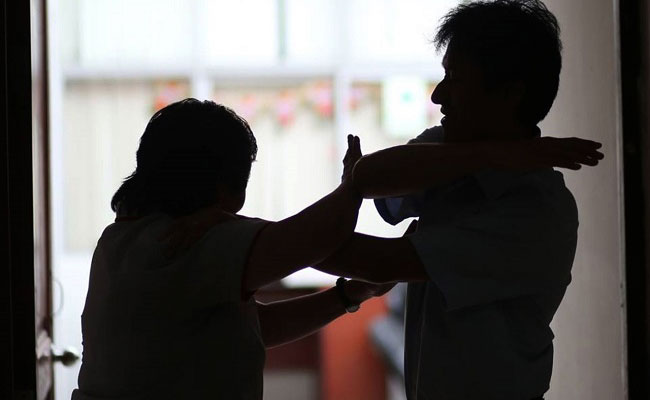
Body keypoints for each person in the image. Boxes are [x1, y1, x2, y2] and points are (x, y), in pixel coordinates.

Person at [311, 1, 604, 399]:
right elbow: (367, 178)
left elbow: (379, 263)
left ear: (509, 94)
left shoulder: (537, 209)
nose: (438, 95)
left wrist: (267, 246)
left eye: (455, 78)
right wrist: (495, 154)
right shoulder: (451, 150)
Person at [72, 99, 392, 400]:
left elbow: (252, 325)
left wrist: (350, 295)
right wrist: (354, 184)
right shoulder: (190, 240)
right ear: (224, 187)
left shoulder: (120, 240)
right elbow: (314, 237)